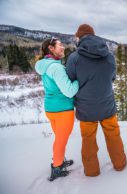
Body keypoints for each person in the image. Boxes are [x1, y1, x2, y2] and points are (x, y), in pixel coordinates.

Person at [66, 24, 127, 177]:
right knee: (113, 135)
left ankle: (92, 172)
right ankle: (120, 165)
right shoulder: (109, 56)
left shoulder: (74, 58)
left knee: (88, 140)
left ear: (79, 37)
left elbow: (71, 81)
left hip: (86, 108)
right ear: (93, 36)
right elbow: (112, 77)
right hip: (107, 104)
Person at [35, 37, 79, 181]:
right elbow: (69, 91)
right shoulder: (56, 67)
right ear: (51, 48)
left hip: (51, 109)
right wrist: (80, 80)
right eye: (60, 45)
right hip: (62, 110)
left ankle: (58, 160)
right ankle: (57, 167)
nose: (63, 47)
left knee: (59, 139)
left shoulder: (45, 65)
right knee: (61, 140)